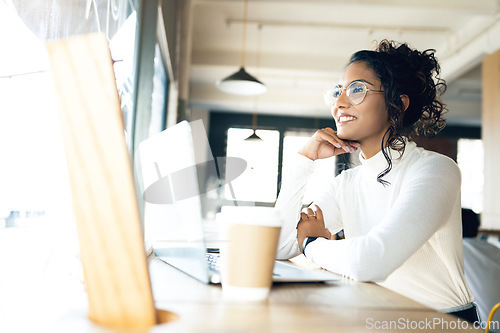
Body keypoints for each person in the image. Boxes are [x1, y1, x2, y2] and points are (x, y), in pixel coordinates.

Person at [275, 40, 477, 322]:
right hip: (376, 318)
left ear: (397, 105)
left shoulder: (436, 170)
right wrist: (303, 159)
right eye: (338, 92)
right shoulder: (347, 183)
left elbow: (371, 261)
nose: (340, 103)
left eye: (357, 89)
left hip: (442, 322)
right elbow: (281, 246)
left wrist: (312, 243)